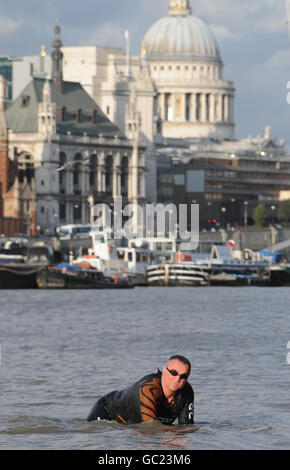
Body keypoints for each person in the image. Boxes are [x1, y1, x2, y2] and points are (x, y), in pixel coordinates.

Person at [87, 355, 194, 425]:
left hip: (130, 424)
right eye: (174, 373)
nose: (177, 379)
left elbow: (187, 427)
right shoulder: (149, 388)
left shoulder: (186, 392)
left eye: (183, 376)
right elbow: (150, 427)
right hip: (108, 411)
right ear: (164, 370)